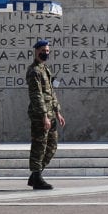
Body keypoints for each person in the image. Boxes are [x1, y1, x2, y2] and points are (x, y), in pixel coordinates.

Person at [26, 39, 65, 190]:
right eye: (43, 51)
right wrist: (44, 116)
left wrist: (57, 112)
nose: (45, 53)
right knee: (39, 146)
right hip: (40, 115)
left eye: (48, 51)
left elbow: (51, 93)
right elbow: (36, 96)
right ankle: (36, 177)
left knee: (52, 147)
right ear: (36, 51)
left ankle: (36, 175)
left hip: (51, 114)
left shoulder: (45, 69)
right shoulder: (34, 71)